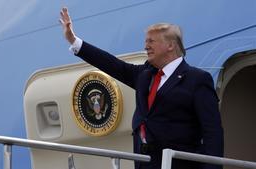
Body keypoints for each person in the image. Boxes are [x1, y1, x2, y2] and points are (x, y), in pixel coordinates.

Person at [59, 7, 224, 169]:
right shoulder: (145, 75)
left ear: (170, 45)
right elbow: (113, 65)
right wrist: (74, 41)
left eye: (151, 41)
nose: (146, 46)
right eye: (146, 41)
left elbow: (212, 132)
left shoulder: (197, 79)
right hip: (144, 163)